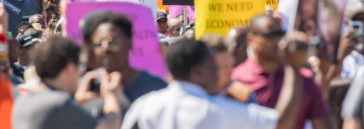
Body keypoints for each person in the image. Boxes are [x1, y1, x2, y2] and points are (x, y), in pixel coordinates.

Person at [122, 36, 307, 129]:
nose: (220, 74)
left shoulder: (143, 105)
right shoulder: (214, 110)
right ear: (198, 72)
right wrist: (294, 68)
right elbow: (281, 123)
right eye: (214, 68)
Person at [231, 14, 334, 129]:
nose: (278, 41)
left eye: (281, 34)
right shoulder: (237, 80)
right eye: (270, 35)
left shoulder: (305, 78)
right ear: (250, 40)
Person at [13, 36, 122, 129]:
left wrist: (77, 102)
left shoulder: (22, 95)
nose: (80, 72)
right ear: (69, 69)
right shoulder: (59, 103)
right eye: (79, 66)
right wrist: (111, 97)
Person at [79, 11, 167, 116]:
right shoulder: (85, 88)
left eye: (112, 41)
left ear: (130, 43)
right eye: (98, 43)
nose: (105, 48)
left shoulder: (157, 88)